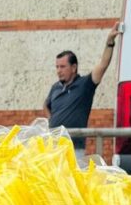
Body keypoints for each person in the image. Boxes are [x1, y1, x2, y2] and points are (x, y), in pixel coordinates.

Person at [43, 23, 121, 166]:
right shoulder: (55, 87)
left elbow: (103, 65)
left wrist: (110, 42)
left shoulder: (85, 85)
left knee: (72, 183)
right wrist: (51, 120)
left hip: (74, 148)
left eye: (62, 67)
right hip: (53, 146)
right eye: (57, 67)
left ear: (73, 67)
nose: (59, 70)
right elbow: (46, 105)